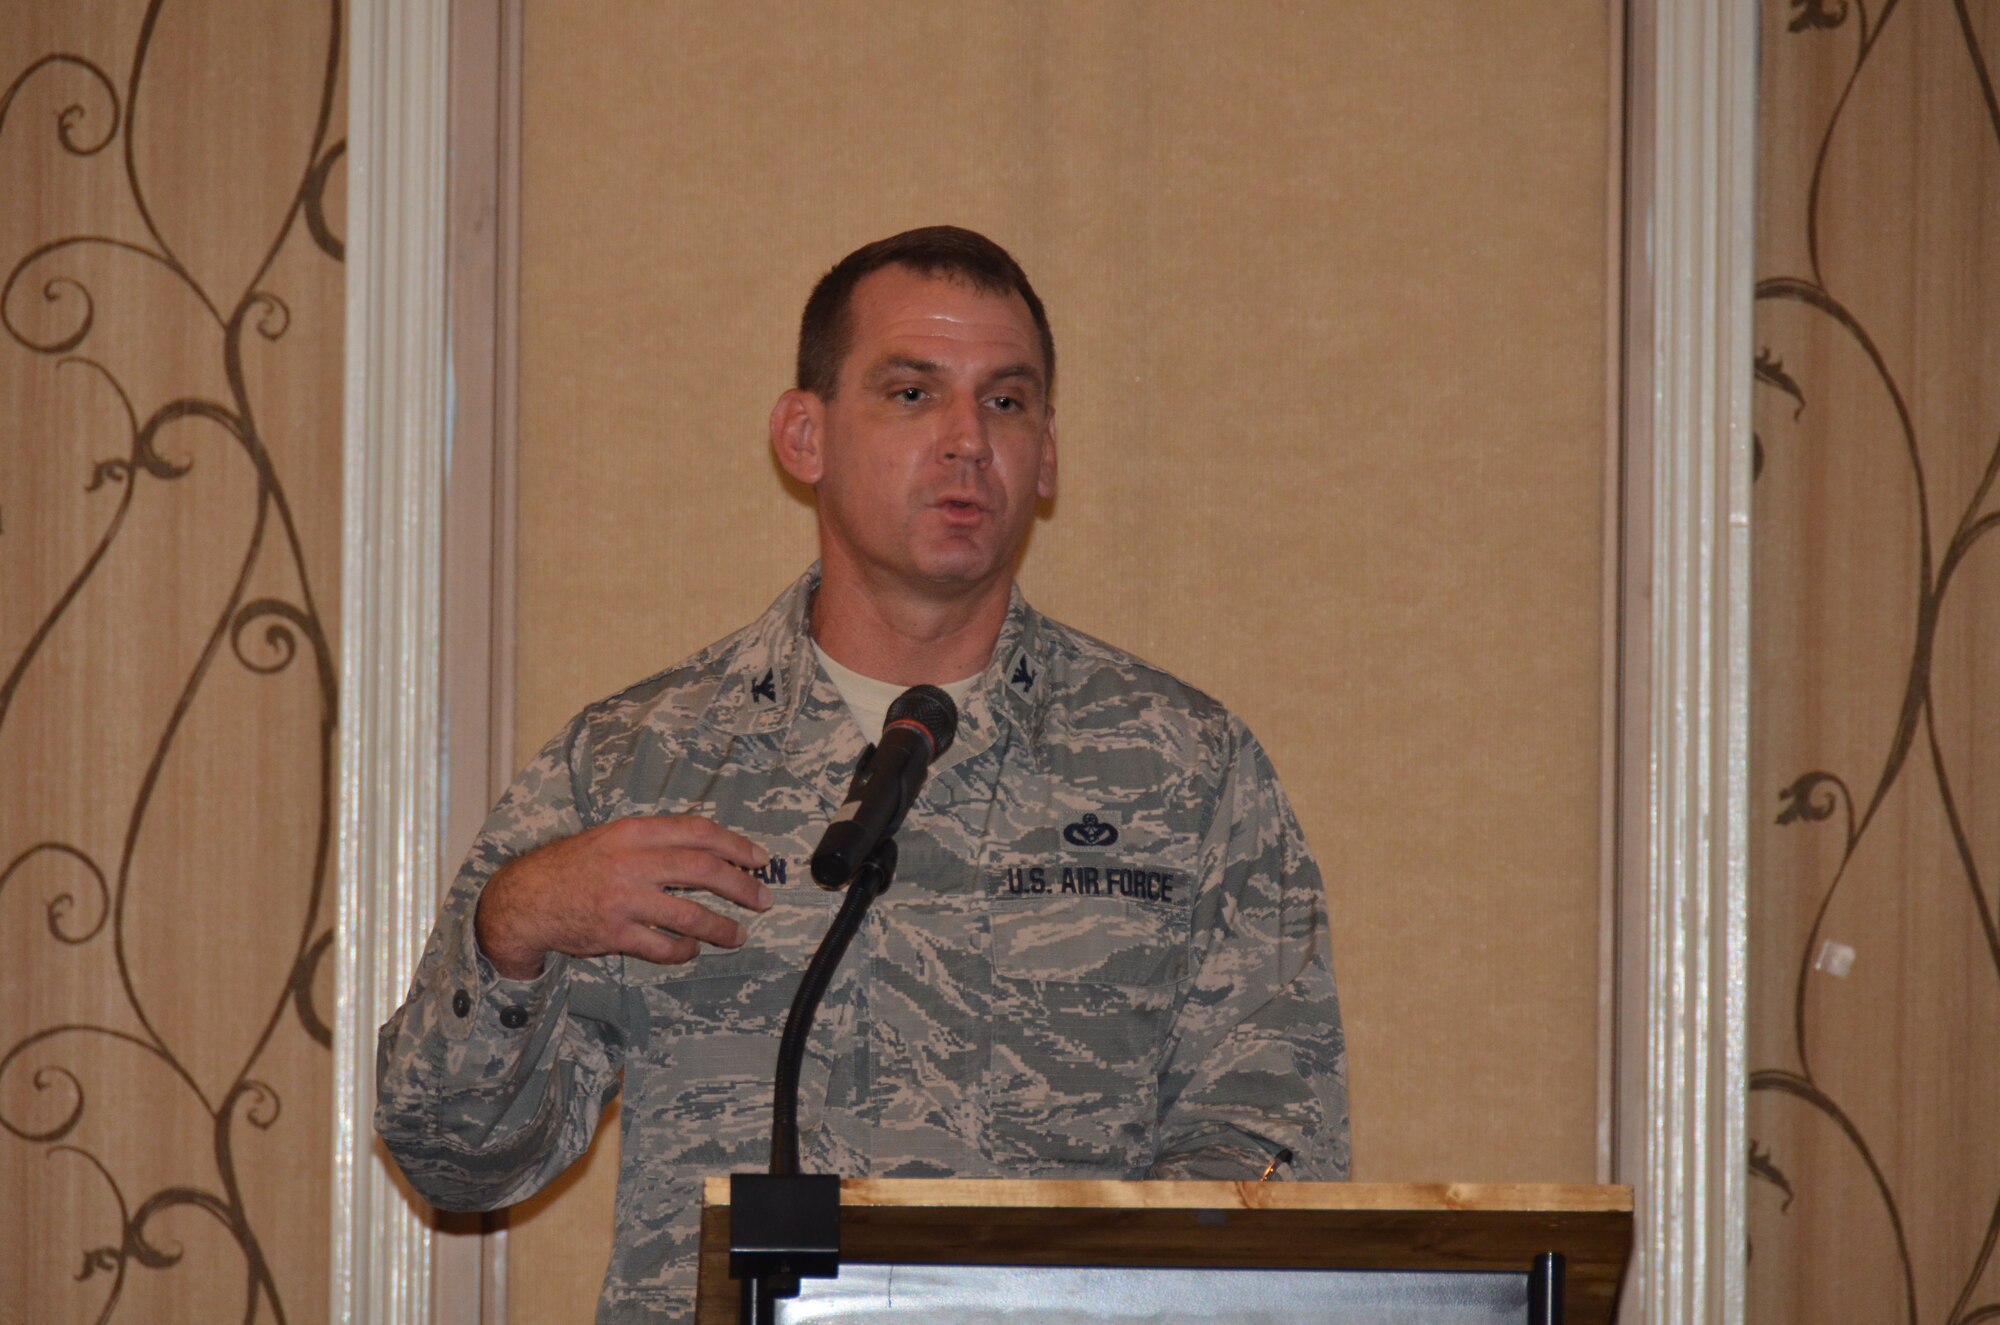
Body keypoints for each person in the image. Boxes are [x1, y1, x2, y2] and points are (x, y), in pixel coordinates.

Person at [375, 226, 1349, 1323]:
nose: (967, 441)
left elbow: (1269, 1165)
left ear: (1049, 458)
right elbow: (455, 1164)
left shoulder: (1187, 770)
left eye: (1007, 402)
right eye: (909, 393)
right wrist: (513, 927)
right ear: (804, 435)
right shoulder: (636, 762)